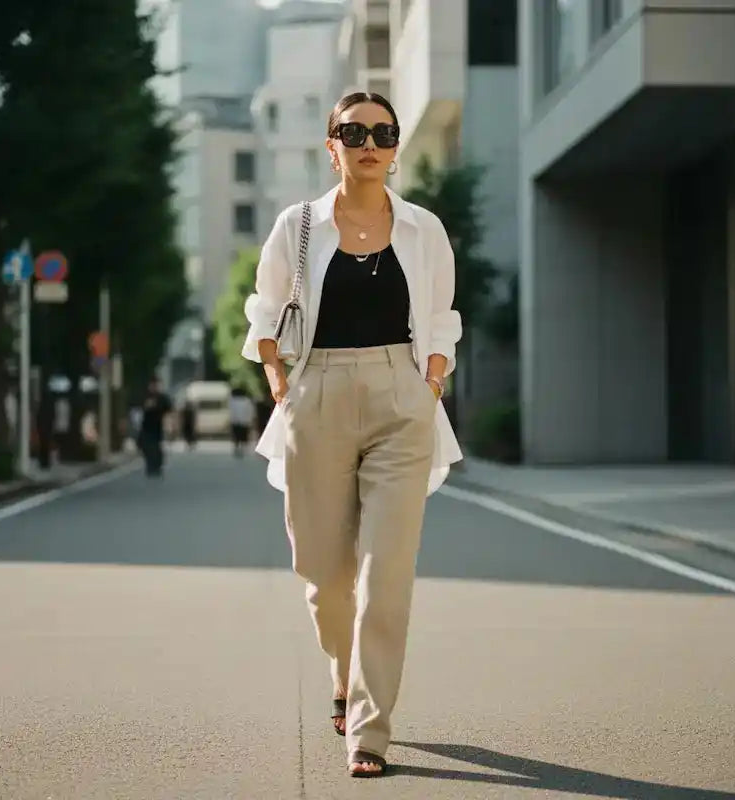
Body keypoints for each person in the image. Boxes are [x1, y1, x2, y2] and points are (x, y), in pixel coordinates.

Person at [241, 92, 462, 777]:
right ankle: (342, 673)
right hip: (318, 393)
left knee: (385, 575)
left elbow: (442, 315)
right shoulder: (298, 225)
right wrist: (281, 386)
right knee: (323, 578)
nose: (369, 141)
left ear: (395, 148)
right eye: (353, 131)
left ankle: (368, 733)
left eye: (382, 132)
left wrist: (429, 383)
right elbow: (265, 315)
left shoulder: (424, 228)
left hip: (401, 395)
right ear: (330, 145)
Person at [139, 377, 171, 477]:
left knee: (156, 448)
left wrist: (170, 426)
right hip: (145, 427)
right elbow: (137, 410)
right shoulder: (144, 397)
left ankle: (157, 466)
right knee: (146, 448)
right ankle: (150, 465)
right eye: (152, 385)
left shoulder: (162, 398)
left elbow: (169, 412)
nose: (154, 387)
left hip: (157, 427)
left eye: (156, 385)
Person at [228, 387, 255, 457]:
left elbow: (231, 412)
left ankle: (237, 447)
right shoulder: (247, 400)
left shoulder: (232, 400)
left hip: (235, 421)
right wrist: (250, 420)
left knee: (236, 435)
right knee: (243, 435)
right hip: (244, 421)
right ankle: (242, 448)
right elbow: (250, 411)